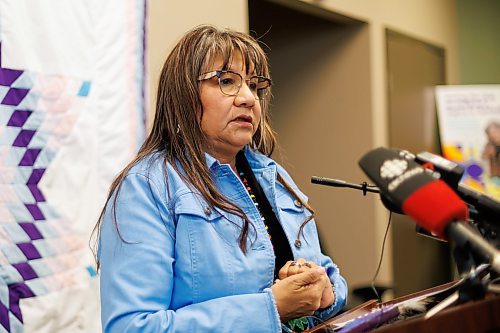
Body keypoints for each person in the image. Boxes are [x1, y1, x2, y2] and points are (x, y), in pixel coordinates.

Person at [94, 24, 347, 333]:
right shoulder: (146, 187)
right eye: (226, 81)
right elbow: (132, 327)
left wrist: (326, 290)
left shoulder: (274, 175)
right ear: (185, 95)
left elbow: (326, 277)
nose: (248, 99)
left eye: (255, 86)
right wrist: (270, 308)